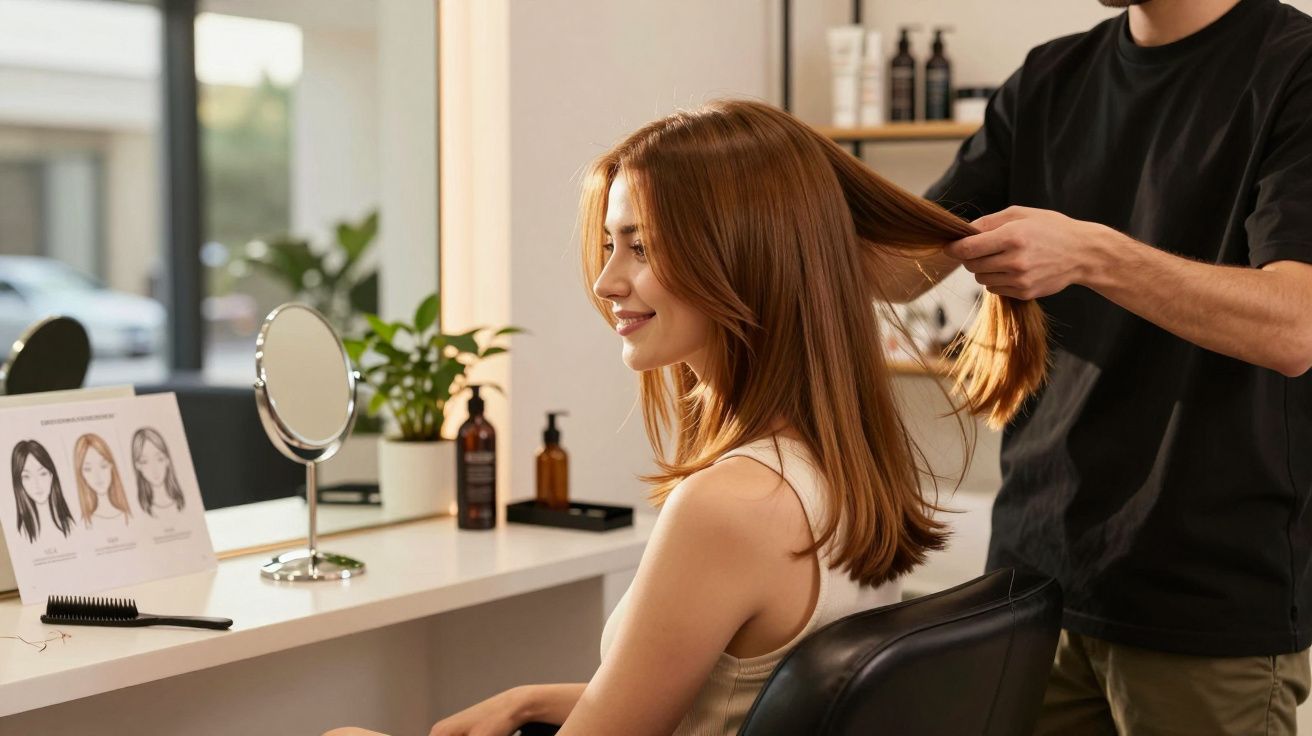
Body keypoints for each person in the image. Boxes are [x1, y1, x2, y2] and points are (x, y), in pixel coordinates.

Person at [325, 99, 1044, 736]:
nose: (607, 281)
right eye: (612, 245)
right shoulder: (836, 464)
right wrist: (529, 698)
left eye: (641, 246)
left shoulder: (731, 506)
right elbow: (752, 699)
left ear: (743, 257)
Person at [912, 0, 1312, 732]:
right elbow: (904, 261)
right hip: (1031, 589)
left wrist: (1093, 254)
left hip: (1203, 603)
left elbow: (1296, 324)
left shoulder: (1295, 68)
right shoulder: (1046, 78)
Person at [11, 439, 75, 543]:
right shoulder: (22, 533)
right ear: (19, 483)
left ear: (51, 475)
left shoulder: (70, 525)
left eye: (42, 473)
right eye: (27, 476)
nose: (37, 484)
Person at [73, 433, 132, 528]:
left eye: (103, 466)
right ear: (81, 474)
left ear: (112, 466)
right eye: (88, 469)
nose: (97, 476)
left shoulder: (128, 516)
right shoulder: (85, 523)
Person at [132, 427, 186, 515]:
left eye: (159, 459)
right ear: (138, 466)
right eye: (145, 461)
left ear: (167, 460)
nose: (154, 469)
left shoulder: (181, 502)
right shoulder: (143, 508)